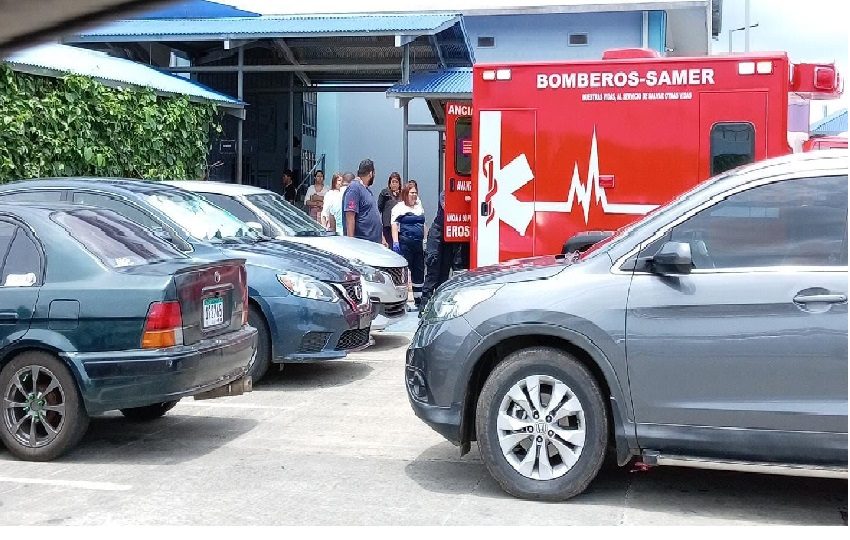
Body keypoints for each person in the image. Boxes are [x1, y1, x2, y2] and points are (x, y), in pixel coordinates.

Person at [391, 183, 426, 310]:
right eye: (412, 193)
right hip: (405, 244)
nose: (414, 195)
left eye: (415, 192)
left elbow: (423, 224)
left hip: (418, 245)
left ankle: (419, 301)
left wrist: (425, 240)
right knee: (404, 275)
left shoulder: (419, 206)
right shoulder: (398, 208)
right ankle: (402, 302)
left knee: (419, 272)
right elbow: (394, 226)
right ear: (406, 194)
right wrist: (395, 243)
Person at [421, 191, 454, 312]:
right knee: (433, 271)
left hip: (450, 234)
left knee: (444, 273)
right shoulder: (445, 194)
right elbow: (446, 207)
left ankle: (439, 307)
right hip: (438, 232)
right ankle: (424, 307)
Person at [343, 159, 383, 243]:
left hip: (374, 243)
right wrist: (351, 243)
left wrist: (382, 238)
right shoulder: (354, 188)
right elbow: (350, 216)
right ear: (371, 173)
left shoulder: (367, 191)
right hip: (363, 244)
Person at [377, 172, 402, 246]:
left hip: (399, 227)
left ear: (399, 184)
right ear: (390, 183)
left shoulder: (402, 195)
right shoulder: (385, 193)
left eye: (396, 182)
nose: (394, 184)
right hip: (387, 226)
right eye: (393, 182)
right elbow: (379, 208)